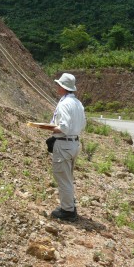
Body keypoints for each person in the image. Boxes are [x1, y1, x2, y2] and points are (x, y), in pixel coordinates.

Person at [43, 73, 86, 222]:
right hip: (74, 143)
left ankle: (68, 211)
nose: (57, 87)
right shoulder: (78, 103)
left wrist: (49, 128)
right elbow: (83, 125)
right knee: (67, 177)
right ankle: (69, 205)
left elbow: (64, 127)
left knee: (63, 178)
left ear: (63, 87)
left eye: (58, 85)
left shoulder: (64, 104)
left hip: (64, 144)